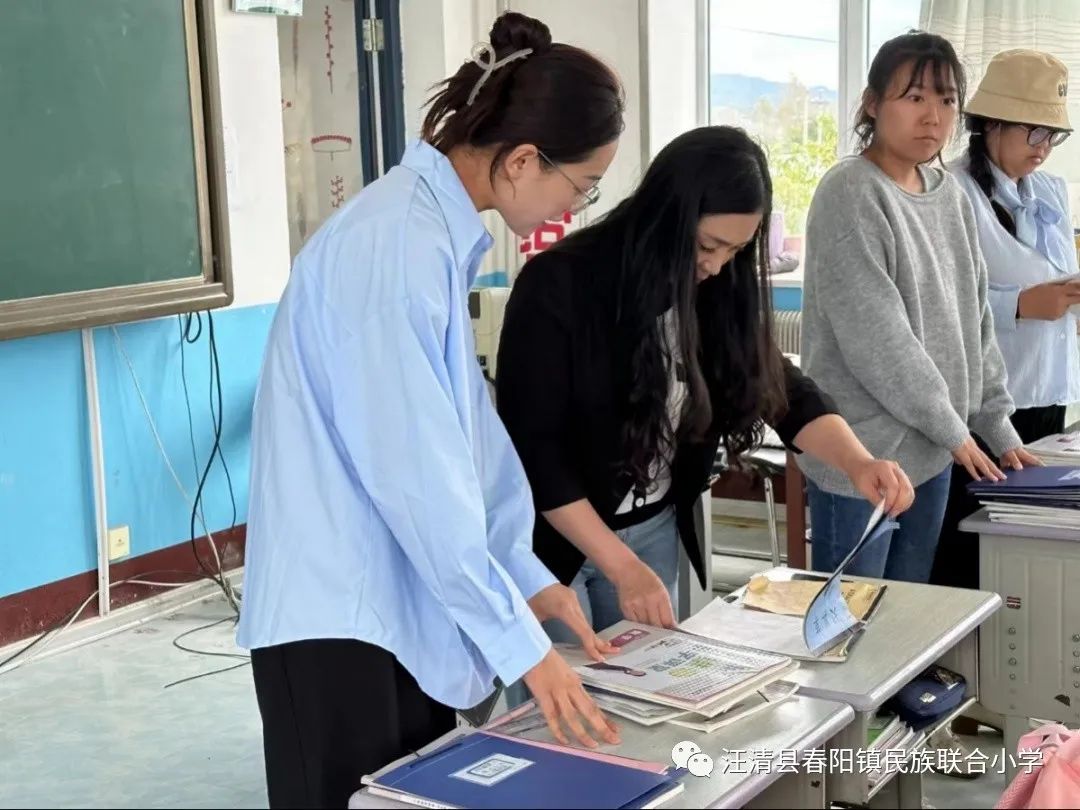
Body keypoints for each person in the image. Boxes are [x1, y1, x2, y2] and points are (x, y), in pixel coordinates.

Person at [235, 13, 626, 808]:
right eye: (581, 187)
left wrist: (525, 577)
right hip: (338, 616)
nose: (576, 207)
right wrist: (523, 648)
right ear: (522, 161)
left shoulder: (433, 237)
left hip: (394, 605)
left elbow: (468, 451)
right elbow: (418, 479)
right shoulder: (395, 249)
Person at [495, 126, 915, 654]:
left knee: (646, 700)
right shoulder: (559, 287)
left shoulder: (715, 287)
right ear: (666, 219)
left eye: (736, 251)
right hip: (555, 544)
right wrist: (623, 567)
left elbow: (779, 385)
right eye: (707, 245)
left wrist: (858, 463)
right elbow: (540, 459)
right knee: (569, 721)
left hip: (651, 528)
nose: (716, 265)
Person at [798, 32, 1039, 587]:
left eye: (947, 99)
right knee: (847, 628)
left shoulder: (948, 193)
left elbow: (974, 319)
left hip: (931, 451)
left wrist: (996, 428)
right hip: (863, 456)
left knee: (908, 619)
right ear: (872, 103)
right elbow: (879, 340)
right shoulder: (851, 192)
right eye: (914, 97)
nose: (934, 116)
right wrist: (956, 431)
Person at [934, 49, 1077, 592]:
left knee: (1033, 538)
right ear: (991, 122)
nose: (1042, 150)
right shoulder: (951, 192)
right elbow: (943, 306)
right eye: (1033, 133)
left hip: (1047, 386)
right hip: (985, 400)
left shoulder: (1051, 192)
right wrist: (1018, 305)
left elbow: (1052, 273)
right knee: (971, 539)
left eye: (1052, 136)